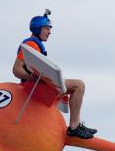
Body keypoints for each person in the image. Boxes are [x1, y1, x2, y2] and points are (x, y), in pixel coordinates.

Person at [12, 10, 97, 139]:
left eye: (50, 29)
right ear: (37, 28)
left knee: (74, 85)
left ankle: (76, 125)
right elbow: (16, 70)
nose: (49, 32)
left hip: (39, 85)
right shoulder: (31, 44)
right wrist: (35, 78)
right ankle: (74, 127)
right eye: (46, 28)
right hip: (35, 88)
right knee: (79, 85)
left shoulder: (36, 45)